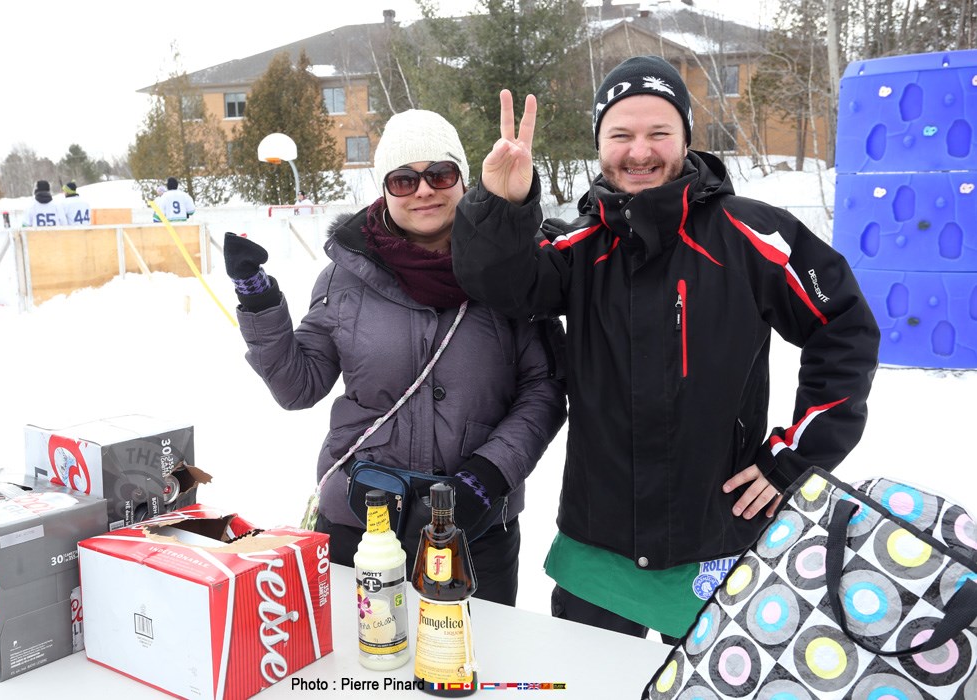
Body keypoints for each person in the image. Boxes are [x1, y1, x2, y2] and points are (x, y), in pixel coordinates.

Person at [451, 56, 880, 639]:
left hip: (718, 537)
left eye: (659, 132)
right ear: (599, 144)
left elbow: (844, 327)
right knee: (591, 680)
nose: (640, 151)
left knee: (712, 678)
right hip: (598, 545)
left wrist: (794, 457)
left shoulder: (754, 235)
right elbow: (500, 283)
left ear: (685, 137)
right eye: (620, 135)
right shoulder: (578, 246)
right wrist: (501, 204)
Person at [223, 109, 567, 606]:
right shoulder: (344, 278)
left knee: (470, 653)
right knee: (358, 653)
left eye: (440, 174)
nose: (423, 190)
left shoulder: (511, 271)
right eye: (403, 180)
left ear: (463, 180)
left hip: (475, 525)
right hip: (360, 522)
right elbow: (298, 387)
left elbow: (544, 389)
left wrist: (487, 476)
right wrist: (258, 298)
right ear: (384, 190)